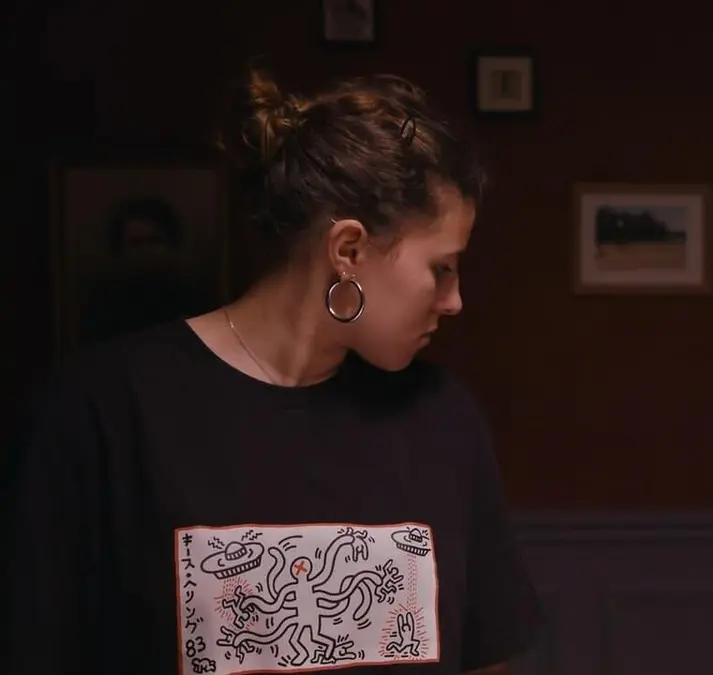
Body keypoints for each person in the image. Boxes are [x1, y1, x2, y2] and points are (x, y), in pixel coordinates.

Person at [3, 69, 541, 674]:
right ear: (348, 250)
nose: (454, 301)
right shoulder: (98, 413)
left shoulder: (443, 420)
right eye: (441, 268)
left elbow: (484, 657)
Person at [77, 196, 217, 347]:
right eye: (136, 243)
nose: (146, 251)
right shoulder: (103, 306)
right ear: (120, 251)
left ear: (171, 245)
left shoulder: (194, 298)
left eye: (154, 241)